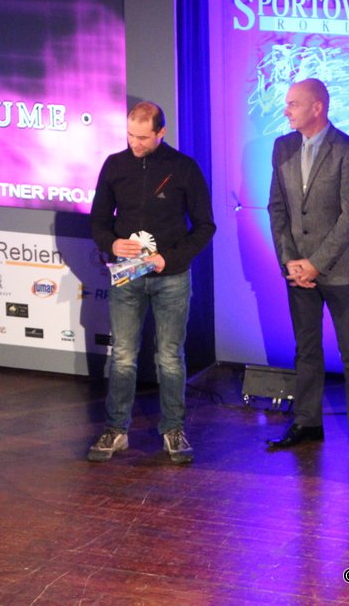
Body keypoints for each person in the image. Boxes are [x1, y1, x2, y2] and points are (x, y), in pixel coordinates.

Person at [87, 102, 215, 464]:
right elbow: (98, 220)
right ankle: (116, 429)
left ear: (161, 133)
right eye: (130, 135)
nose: (135, 143)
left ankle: (173, 429)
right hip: (127, 276)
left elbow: (205, 226)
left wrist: (168, 258)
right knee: (123, 356)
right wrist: (112, 243)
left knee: (170, 357)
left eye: (143, 137)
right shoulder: (115, 165)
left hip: (170, 277)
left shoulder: (183, 168)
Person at [265, 78, 349, 462]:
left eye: (293, 104)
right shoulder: (282, 147)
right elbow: (277, 208)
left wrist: (316, 263)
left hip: (341, 270)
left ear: (318, 107)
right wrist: (290, 261)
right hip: (297, 271)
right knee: (306, 350)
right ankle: (307, 422)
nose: (286, 111)